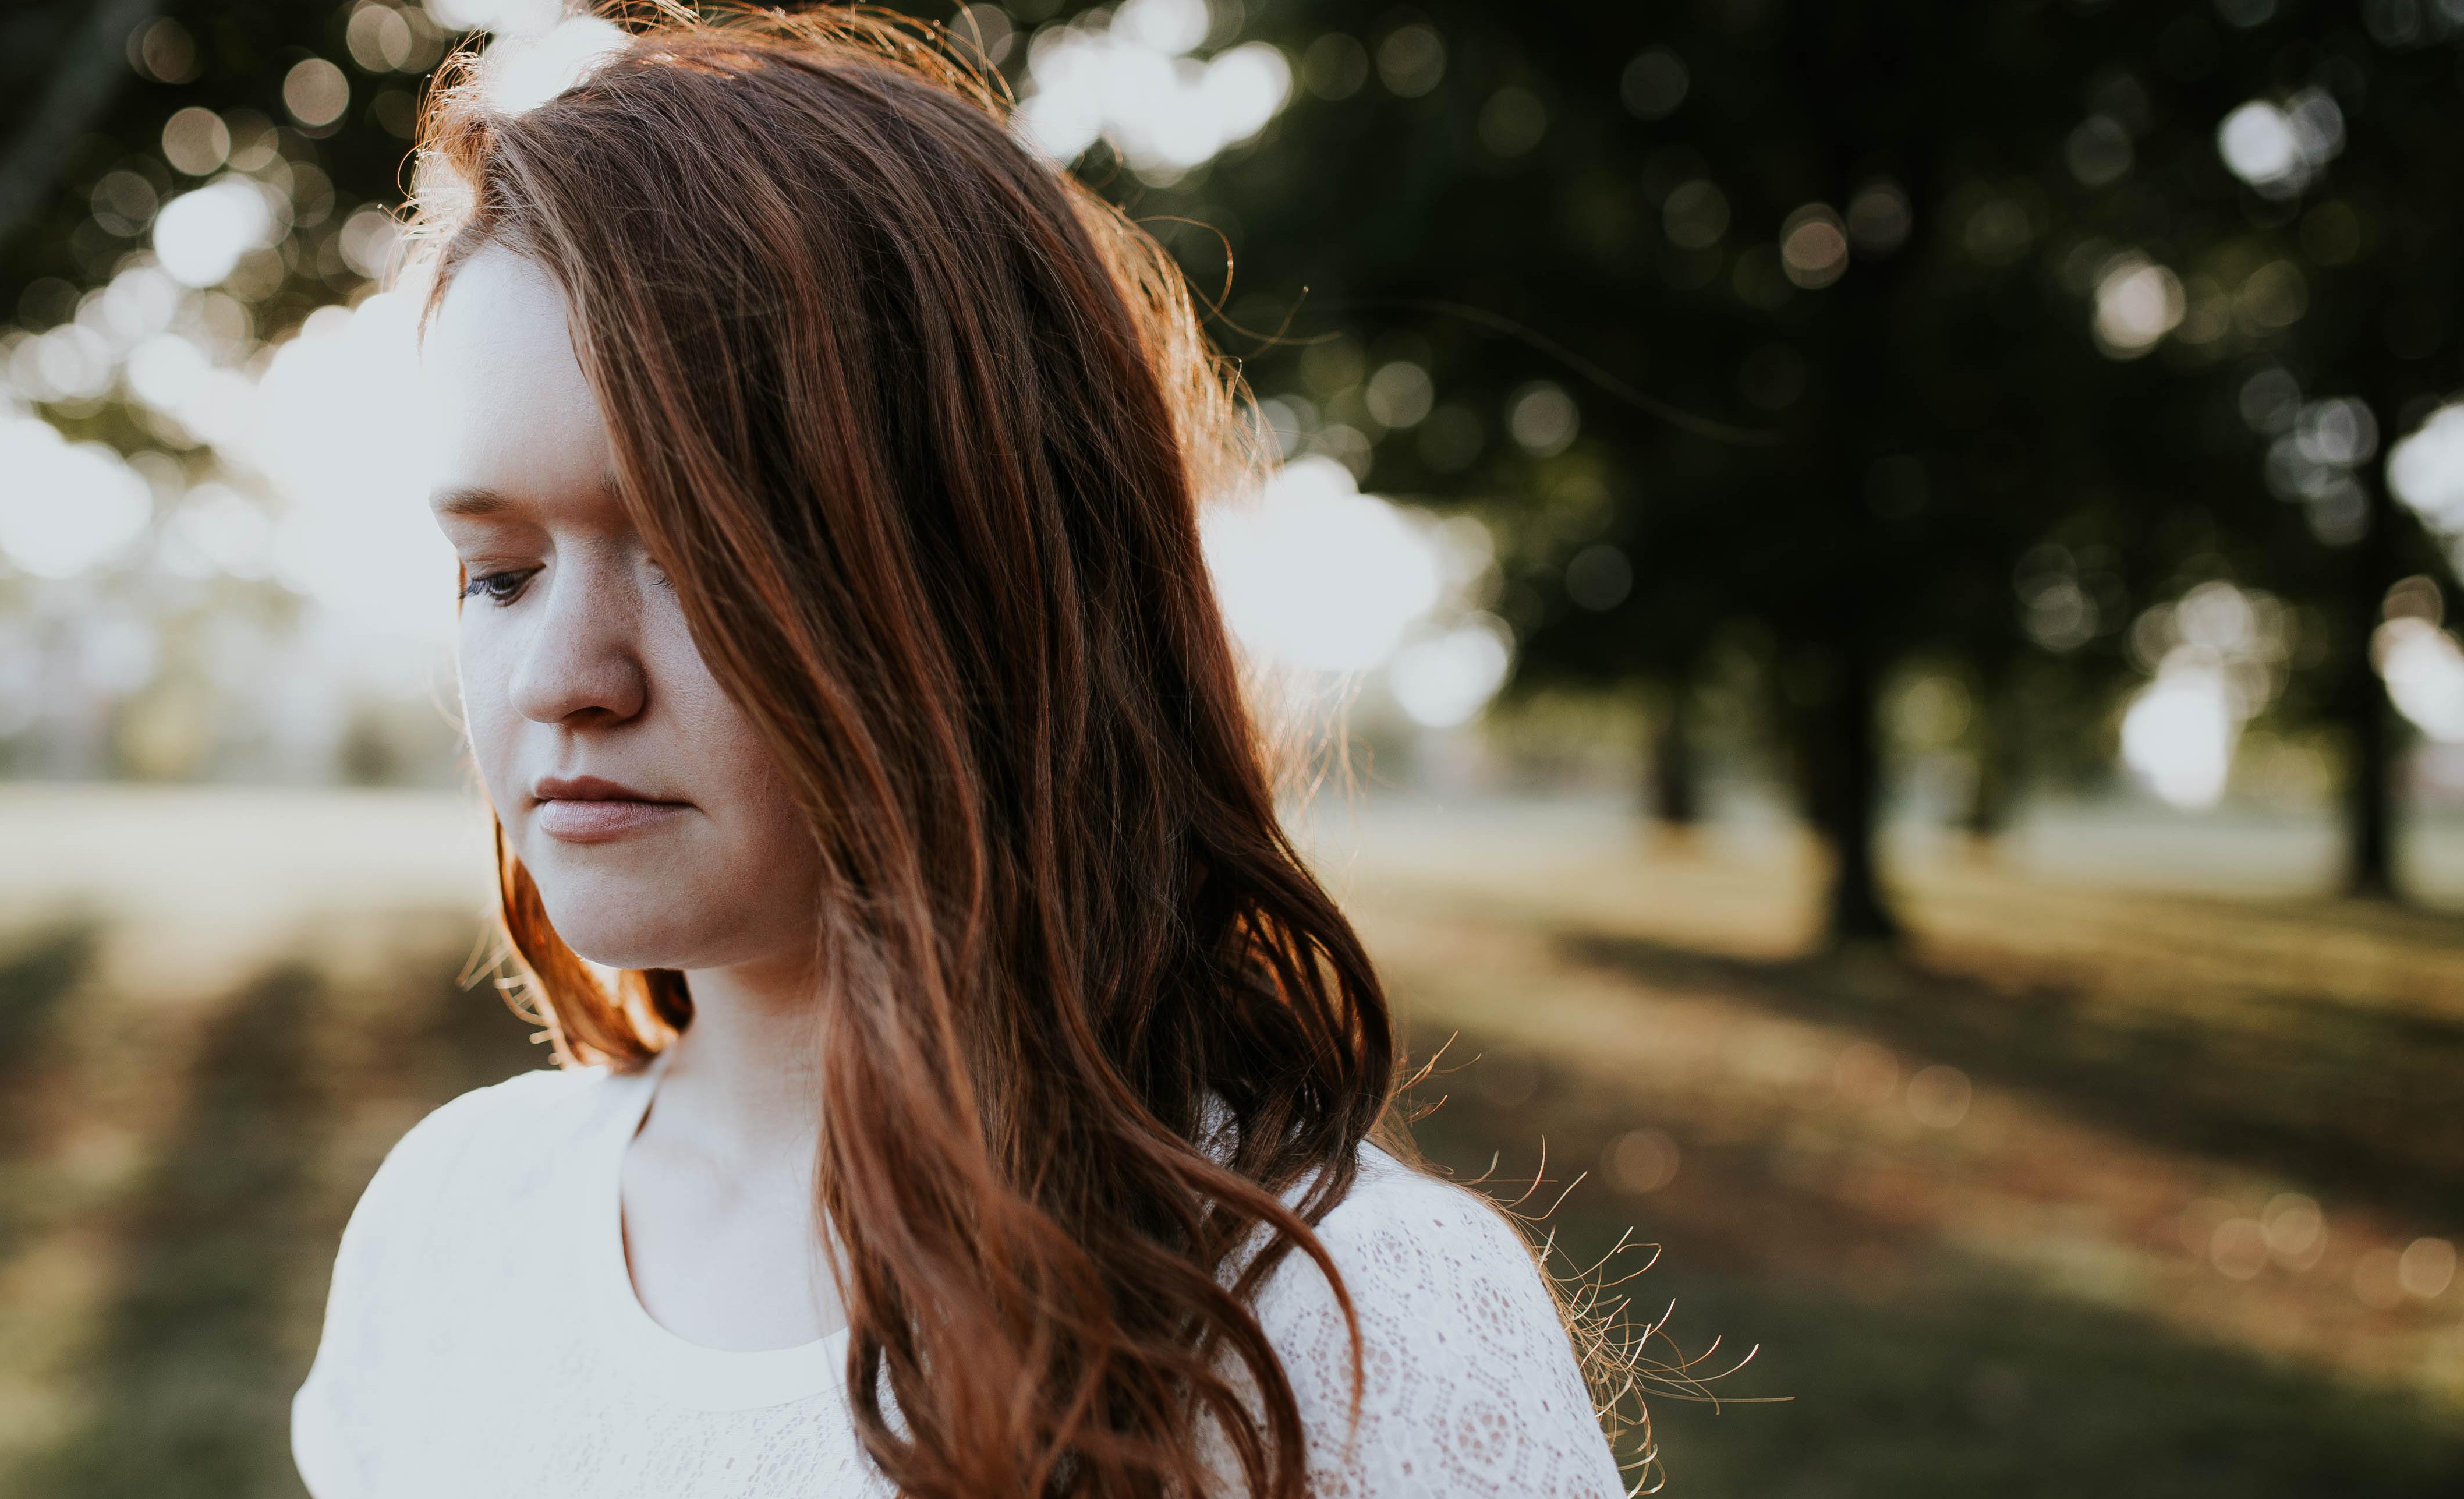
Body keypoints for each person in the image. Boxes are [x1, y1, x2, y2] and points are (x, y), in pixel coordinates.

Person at [292, 10, 1634, 1496]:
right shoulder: (455, 1222)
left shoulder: (1334, 1323)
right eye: (500, 571)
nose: (563, 680)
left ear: (985, 574)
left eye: (697, 553)